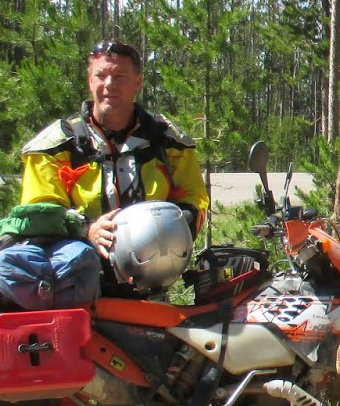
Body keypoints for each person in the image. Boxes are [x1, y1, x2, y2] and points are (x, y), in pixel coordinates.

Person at [20, 40, 210, 268]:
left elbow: (194, 200)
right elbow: (39, 213)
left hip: (154, 267)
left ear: (138, 82)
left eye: (119, 77)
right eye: (101, 76)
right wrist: (87, 229)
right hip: (77, 271)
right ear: (90, 81)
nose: (109, 84)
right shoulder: (56, 145)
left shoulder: (169, 141)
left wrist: (171, 232)